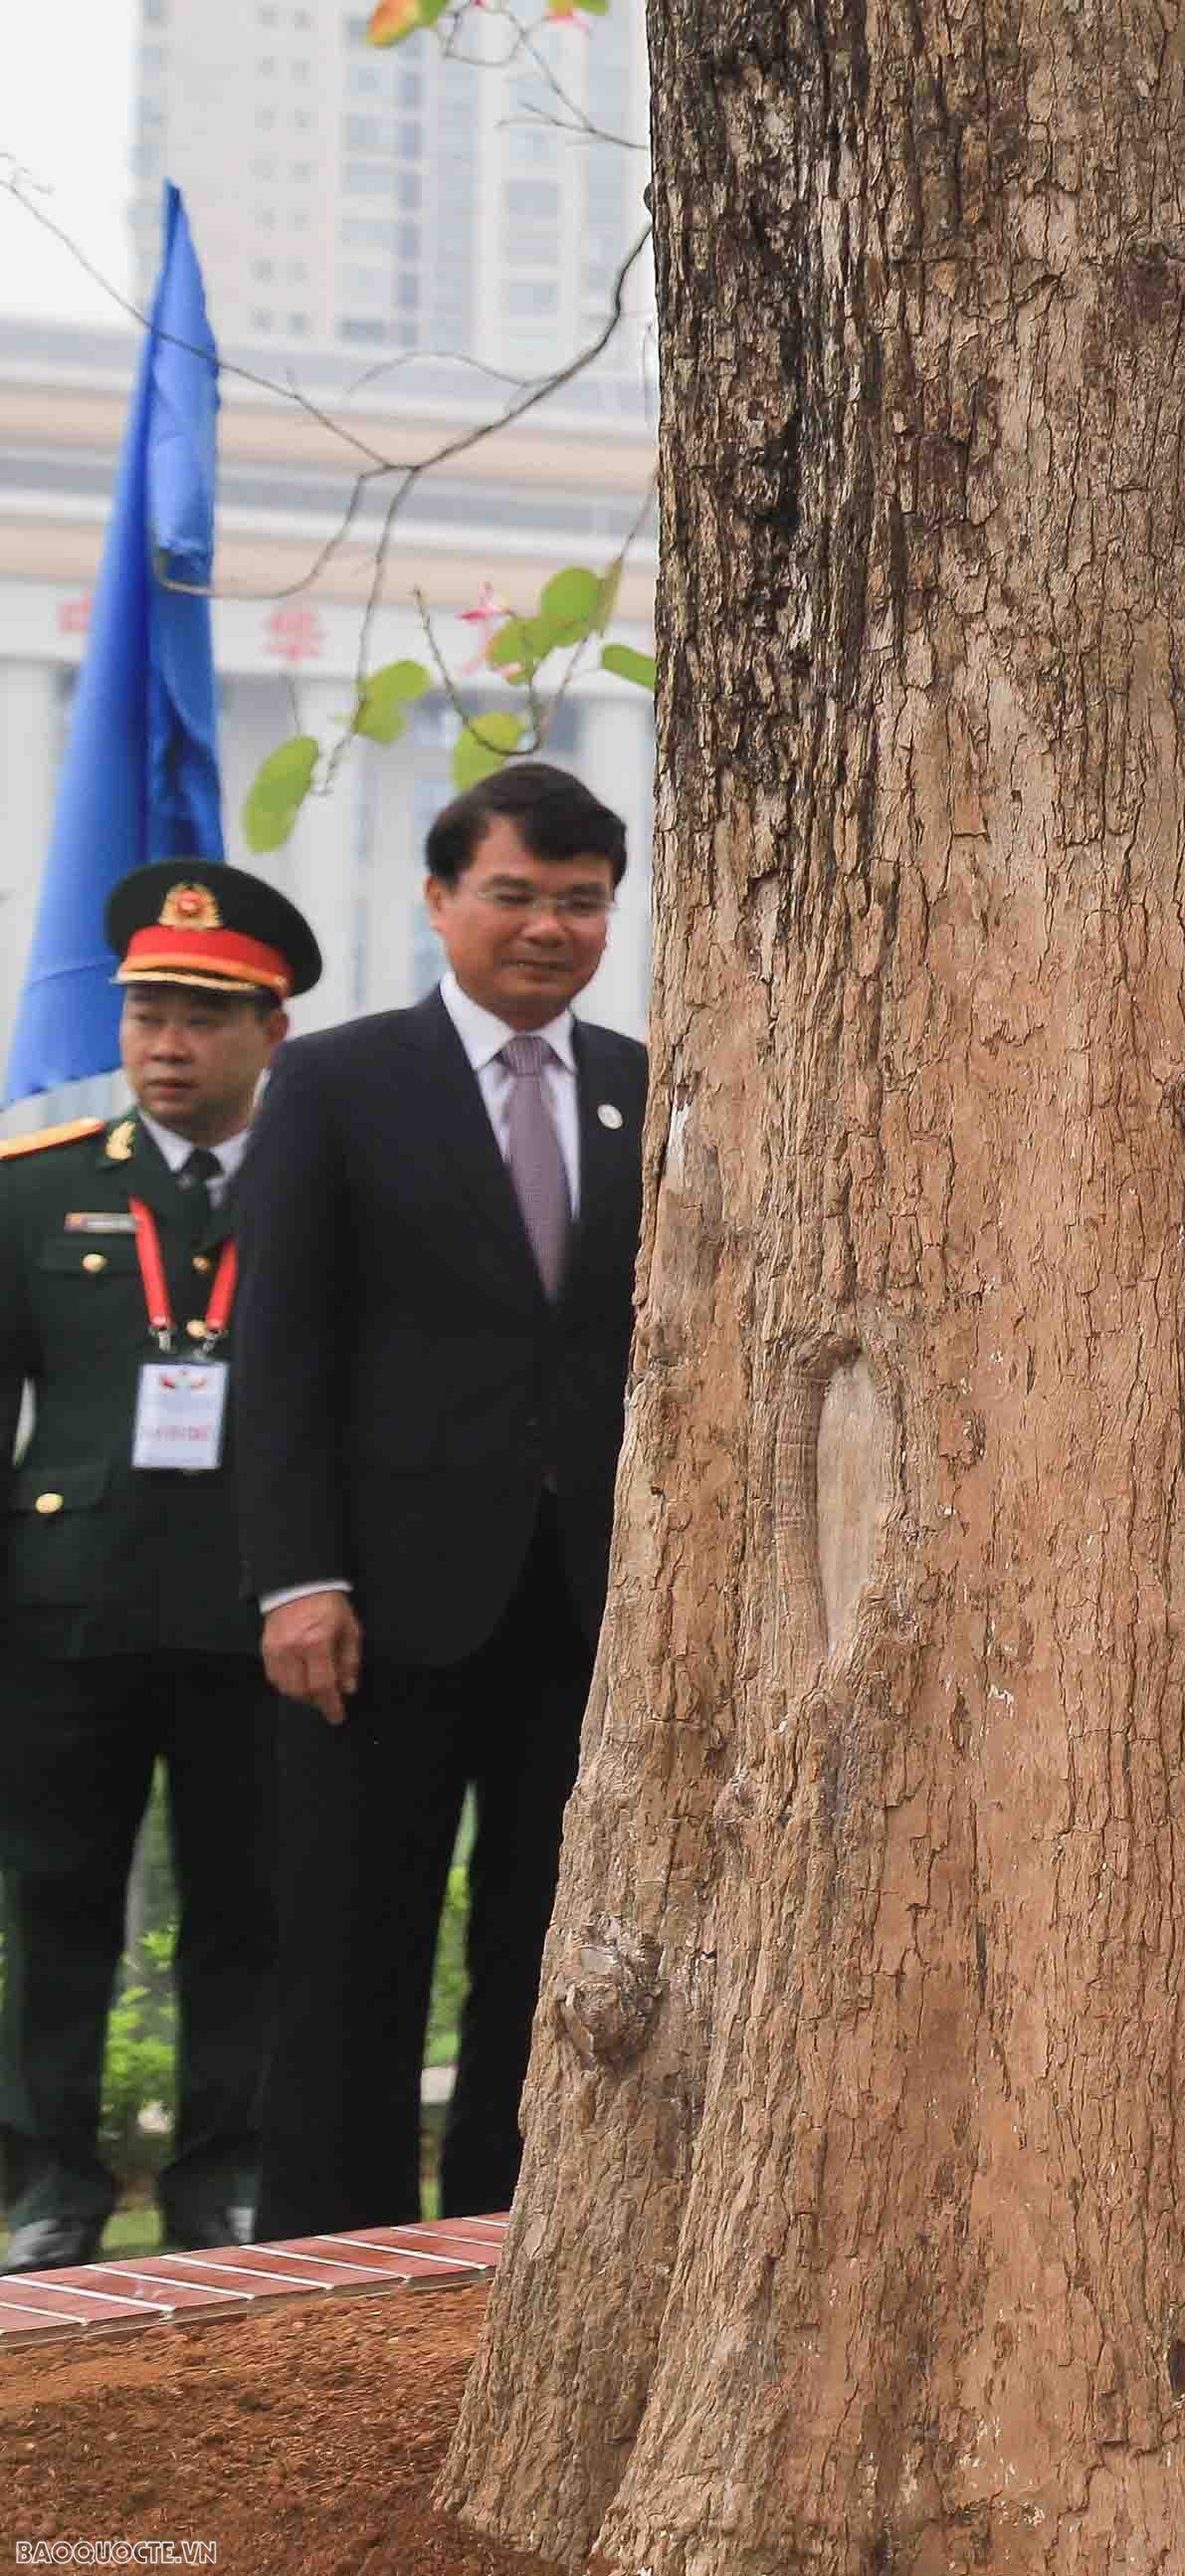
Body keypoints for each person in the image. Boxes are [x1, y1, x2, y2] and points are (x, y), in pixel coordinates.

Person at [234, 762, 647, 2237]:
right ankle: (325, 2255)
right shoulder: (338, 1083)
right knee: (354, 1945)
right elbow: (277, 1347)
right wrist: (297, 1577)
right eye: (514, 895)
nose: (548, 928)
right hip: (377, 1604)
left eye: (581, 902)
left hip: (587, 1602)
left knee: (549, 1946)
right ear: (439, 898)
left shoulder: (649, 1087)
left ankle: (509, 2232)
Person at [0, 865, 319, 2273]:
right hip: (71, 1606)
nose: (167, 1044)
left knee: (250, 1907)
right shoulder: (40, 1189)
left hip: (262, 1608)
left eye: (202, 1016)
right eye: (146, 1014)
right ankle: (51, 2184)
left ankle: (223, 2175)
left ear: (271, 1031)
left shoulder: (319, 1188)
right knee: (56, 1903)